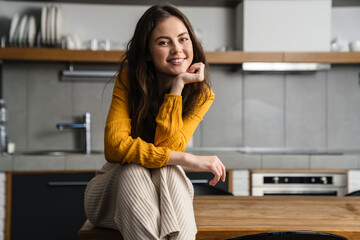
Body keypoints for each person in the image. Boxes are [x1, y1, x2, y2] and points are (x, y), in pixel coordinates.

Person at [84, 3, 226, 240]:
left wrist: (177, 89)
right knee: (135, 170)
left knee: (169, 171)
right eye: (164, 42)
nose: (177, 49)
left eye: (183, 39)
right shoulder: (128, 80)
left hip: (164, 192)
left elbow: (167, 148)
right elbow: (115, 147)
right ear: (148, 52)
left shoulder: (201, 94)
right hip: (111, 193)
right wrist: (187, 159)